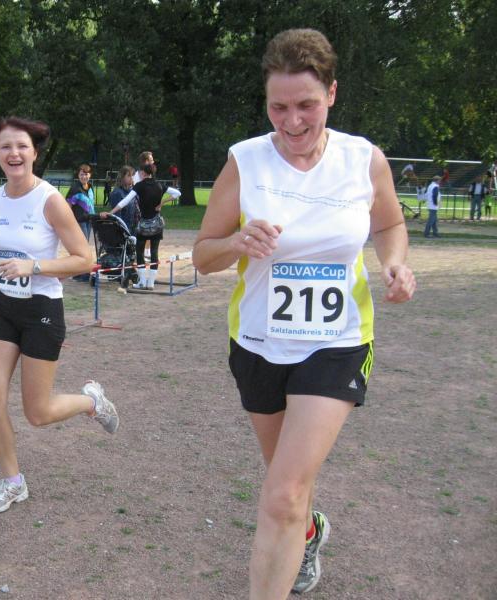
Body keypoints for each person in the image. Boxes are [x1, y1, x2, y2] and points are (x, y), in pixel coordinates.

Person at [192, 29, 416, 599]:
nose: (292, 122)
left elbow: (390, 223)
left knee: (284, 493)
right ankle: (311, 532)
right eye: (278, 107)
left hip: (337, 342)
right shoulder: (245, 161)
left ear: (332, 94)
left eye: (306, 105)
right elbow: (202, 256)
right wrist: (237, 241)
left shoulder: (363, 160)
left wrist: (394, 263)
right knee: (286, 485)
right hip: (258, 343)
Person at [0, 116, 119, 514]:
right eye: (5, 146)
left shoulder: (50, 200)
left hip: (42, 309)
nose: (13, 153)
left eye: (21, 146)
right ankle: (13, 482)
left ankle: (91, 402)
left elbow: (85, 259)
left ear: (34, 153)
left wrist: (35, 266)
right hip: (5, 306)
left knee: (38, 412)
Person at [101, 162, 181, 290]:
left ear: (143, 173)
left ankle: (142, 282)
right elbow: (177, 193)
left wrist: (110, 213)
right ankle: (151, 283)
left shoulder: (139, 186)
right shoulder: (159, 185)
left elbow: (125, 201)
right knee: (154, 253)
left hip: (143, 225)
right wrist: (162, 203)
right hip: (157, 224)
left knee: (139, 253)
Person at [65, 163, 97, 282]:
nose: (84, 177)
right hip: (79, 221)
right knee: (83, 247)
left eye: (86, 174)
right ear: (78, 175)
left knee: (83, 246)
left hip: (89, 220)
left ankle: (80, 272)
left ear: (90, 175)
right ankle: (82, 273)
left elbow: (91, 204)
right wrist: (69, 221)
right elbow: (68, 205)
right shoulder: (75, 188)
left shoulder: (91, 187)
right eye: (82, 174)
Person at [108, 165, 140, 231]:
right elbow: (117, 216)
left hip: (136, 228)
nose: (132, 178)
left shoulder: (133, 192)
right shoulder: (117, 193)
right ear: (122, 177)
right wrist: (123, 230)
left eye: (133, 175)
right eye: (129, 175)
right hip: (124, 229)